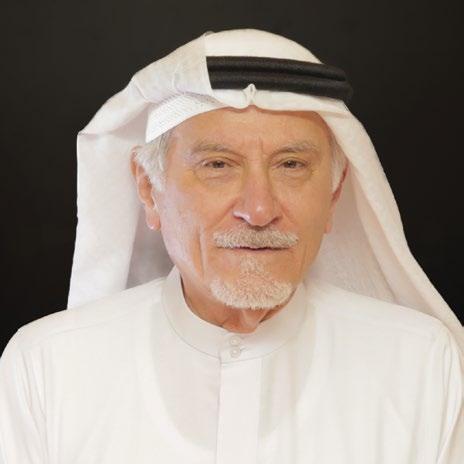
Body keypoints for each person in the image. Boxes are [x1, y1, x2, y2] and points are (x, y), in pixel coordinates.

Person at [0, 29, 462, 463]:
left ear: (335, 191)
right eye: (218, 165)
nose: (259, 210)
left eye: (291, 165)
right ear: (149, 190)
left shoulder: (421, 366)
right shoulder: (46, 369)